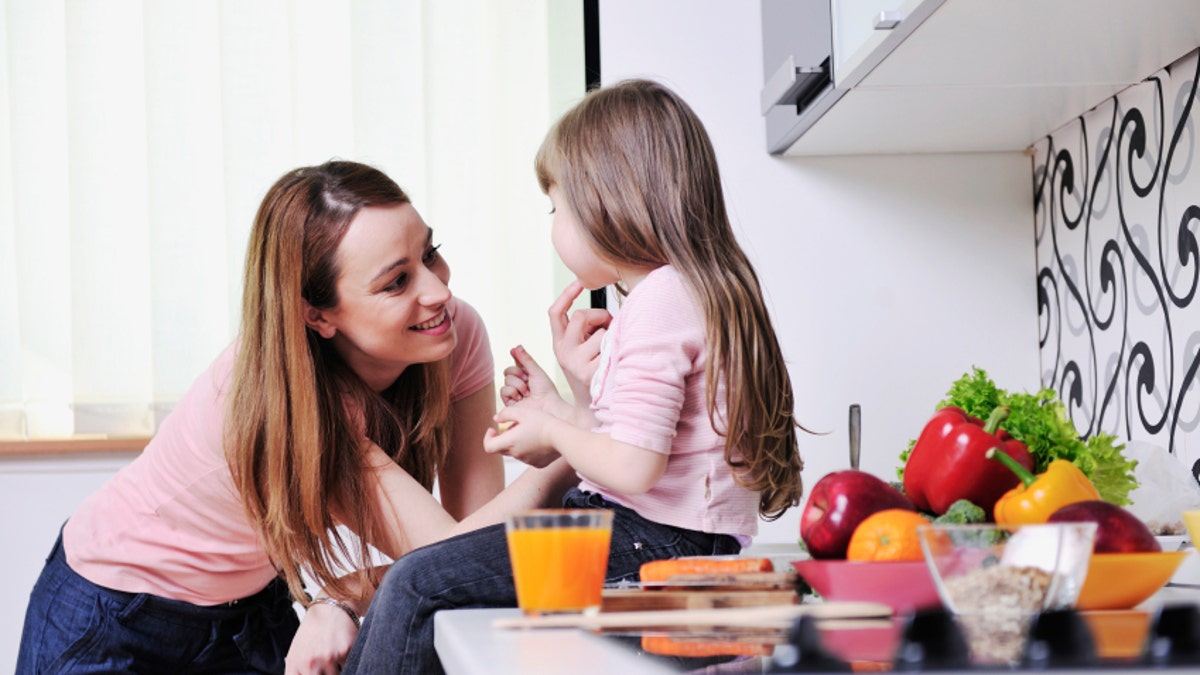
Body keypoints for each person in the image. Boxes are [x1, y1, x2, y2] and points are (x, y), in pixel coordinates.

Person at [16, 160, 576, 674]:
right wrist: (578, 436)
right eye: (396, 281)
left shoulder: (452, 335)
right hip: (114, 613)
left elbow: (471, 555)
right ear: (317, 315)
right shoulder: (281, 403)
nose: (439, 290)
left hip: (249, 609)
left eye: (429, 254)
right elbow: (449, 556)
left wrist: (335, 598)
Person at [342, 78, 806, 674]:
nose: (556, 224)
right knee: (420, 589)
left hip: (653, 545)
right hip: (665, 538)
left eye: (557, 206)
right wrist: (562, 409)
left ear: (609, 203)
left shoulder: (662, 299)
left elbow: (636, 468)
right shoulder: (691, 288)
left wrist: (553, 430)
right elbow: (638, 453)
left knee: (414, 585)